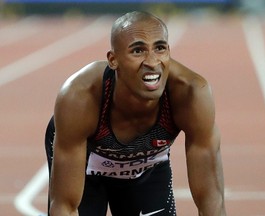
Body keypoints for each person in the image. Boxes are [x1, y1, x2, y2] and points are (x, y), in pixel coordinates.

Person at [45, 11, 226, 216]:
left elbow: (210, 197)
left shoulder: (191, 94)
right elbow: (64, 206)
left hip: (145, 168)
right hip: (87, 167)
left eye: (160, 48)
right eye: (138, 51)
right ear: (113, 60)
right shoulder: (80, 97)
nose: (152, 61)